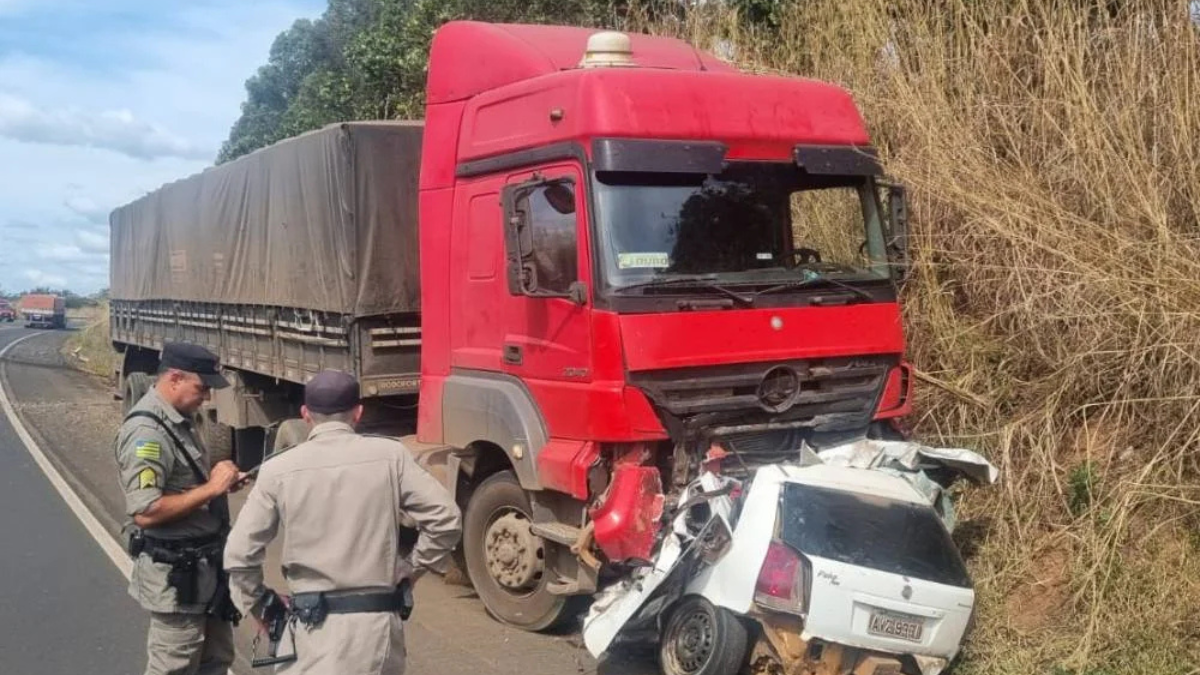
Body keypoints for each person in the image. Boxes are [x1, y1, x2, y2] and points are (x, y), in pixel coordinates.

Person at [223, 369, 462, 675]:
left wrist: (262, 605)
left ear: (306, 415)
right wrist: (411, 569)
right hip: (376, 632)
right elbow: (446, 519)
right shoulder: (391, 456)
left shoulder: (277, 470)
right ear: (358, 413)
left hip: (309, 631)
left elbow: (238, 556)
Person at [114, 341, 245, 675]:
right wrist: (212, 489)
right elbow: (146, 510)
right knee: (175, 665)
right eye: (201, 388)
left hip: (206, 571)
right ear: (174, 378)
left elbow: (188, 487)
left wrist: (217, 487)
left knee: (216, 661)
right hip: (177, 578)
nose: (207, 397)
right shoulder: (147, 434)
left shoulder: (181, 419)